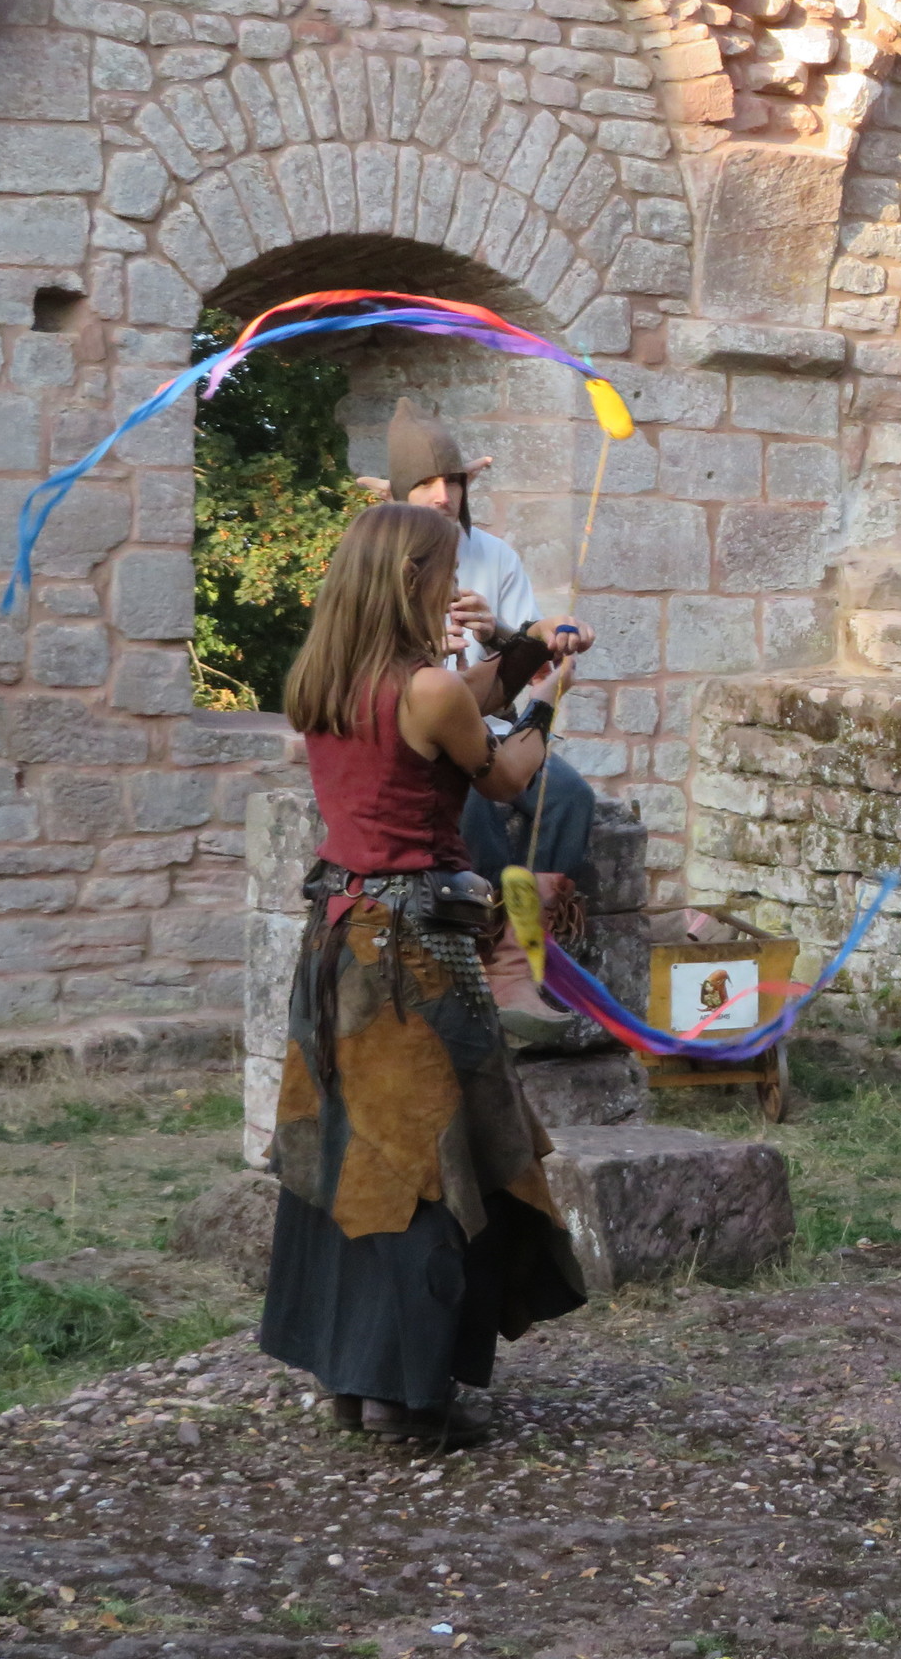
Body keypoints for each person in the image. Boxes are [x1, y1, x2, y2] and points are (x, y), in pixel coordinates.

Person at [261, 501, 587, 1446]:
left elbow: (456, 696)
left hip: (337, 943)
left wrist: (529, 651)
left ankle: (355, 1380)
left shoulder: (322, 677)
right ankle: (406, 1402)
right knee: (429, 1166)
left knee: (353, 1159)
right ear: (410, 579)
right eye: (444, 571)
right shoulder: (426, 690)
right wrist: (550, 698)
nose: (454, 586)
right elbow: (508, 774)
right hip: (414, 956)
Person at [364, 398, 598, 897]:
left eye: (453, 481)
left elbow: (528, 666)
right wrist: (423, 653)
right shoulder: (375, 563)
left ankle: (539, 922)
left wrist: (496, 633)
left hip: (489, 725)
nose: (442, 497)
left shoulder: (496, 556)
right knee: (470, 807)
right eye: (425, 483)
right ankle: (488, 923)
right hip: (416, 738)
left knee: (570, 797)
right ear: (398, 494)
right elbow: (364, 668)